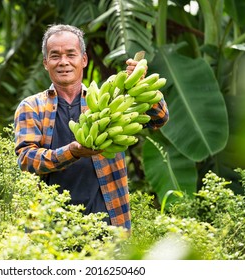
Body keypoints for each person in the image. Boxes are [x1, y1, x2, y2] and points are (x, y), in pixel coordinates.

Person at [14, 24, 168, 231]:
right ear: (45, 63)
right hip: (50, 225)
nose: (64, 62)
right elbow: (26, 159)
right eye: (55, 56)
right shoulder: (31, 107)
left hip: (109, 224)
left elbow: (159, 119)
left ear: (84, 60)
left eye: (71, 54)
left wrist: (137, 83)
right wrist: (71, 152)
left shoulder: (109, 100)